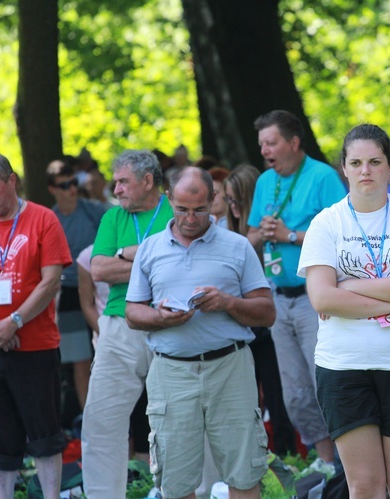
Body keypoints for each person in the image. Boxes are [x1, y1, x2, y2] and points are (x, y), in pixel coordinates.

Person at [298, 124, 390, 497]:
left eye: (375, 161)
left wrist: (350, 286)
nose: (366, 170)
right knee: (365, 486)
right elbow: (323, 299)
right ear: (343, 167)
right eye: (356, 162)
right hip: (343, 368)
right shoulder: (326, 223)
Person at [125, 167, 275, 498]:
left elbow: (267, 313)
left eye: (199, 209)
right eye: (182, 209)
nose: (191, 218)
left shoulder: (238, 247)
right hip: (171, 370)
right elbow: (132, 312)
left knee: (245, 471)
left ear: (214, 200)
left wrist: (227, 302)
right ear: (168, 200)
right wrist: (160, 317)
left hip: (230, 367)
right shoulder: (150, 249)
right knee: (175, 481)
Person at [247, 110, 345, 470]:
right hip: (279, 299)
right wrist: (264, 232)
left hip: (316, 299)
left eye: (271, 143)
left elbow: (342, 236)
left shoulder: (323, 177)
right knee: (295, 391)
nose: (265, 151)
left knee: (327, 383)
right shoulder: (264, 182)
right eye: (261, 145)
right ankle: (324, 462)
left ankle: (350, 465)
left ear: (293, 142)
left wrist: (290, 234)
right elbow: (252, 236)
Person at [0, 153, 72, 499]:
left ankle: (52, 495)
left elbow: (50, 282)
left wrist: (13, 323)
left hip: (36, 346)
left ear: (11, 180)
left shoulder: (43, 219)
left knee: (45, 435)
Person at [81, 149, 174, 499]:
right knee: (101, 420)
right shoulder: (112, 218)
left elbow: (181, 262)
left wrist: (127, 255)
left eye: (122, 181)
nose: (115, 189)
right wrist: (144, 256)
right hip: (118, 326)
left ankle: (188, 491)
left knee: (179, 420)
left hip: (170, 323)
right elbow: (99, 270)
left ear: (148, 181)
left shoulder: (176, 209)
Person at [225, 164, 298, 457]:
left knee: (277, 388)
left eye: (235, 199)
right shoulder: (228, 231)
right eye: (227, 200)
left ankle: (286, 451)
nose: (232, 206)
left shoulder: (260, 233)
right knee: (246, 394)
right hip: (241, 325)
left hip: (269, 319)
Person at [47, 159, 108, 414]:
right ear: (53, 189)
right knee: (80, 360)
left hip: (99, 289)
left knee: (104, 352)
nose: (71, 189)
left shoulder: (93, 210)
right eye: (64, 185)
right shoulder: (51, 218)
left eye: (74, 183)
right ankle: (87, 416)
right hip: (70, 292)